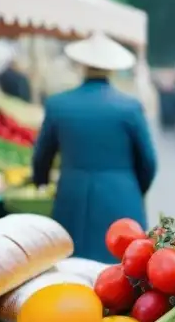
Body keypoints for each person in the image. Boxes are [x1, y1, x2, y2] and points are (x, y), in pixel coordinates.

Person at [32, 33, 157, 262]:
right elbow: (148, 161)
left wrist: (41, 181)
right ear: (111, 68)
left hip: (72, 193)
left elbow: (42, 155)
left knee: (72, 264)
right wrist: (134, 187)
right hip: (121, 194)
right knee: (123, 266)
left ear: (82, 65)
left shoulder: (58, 104)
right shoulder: (129, 107)